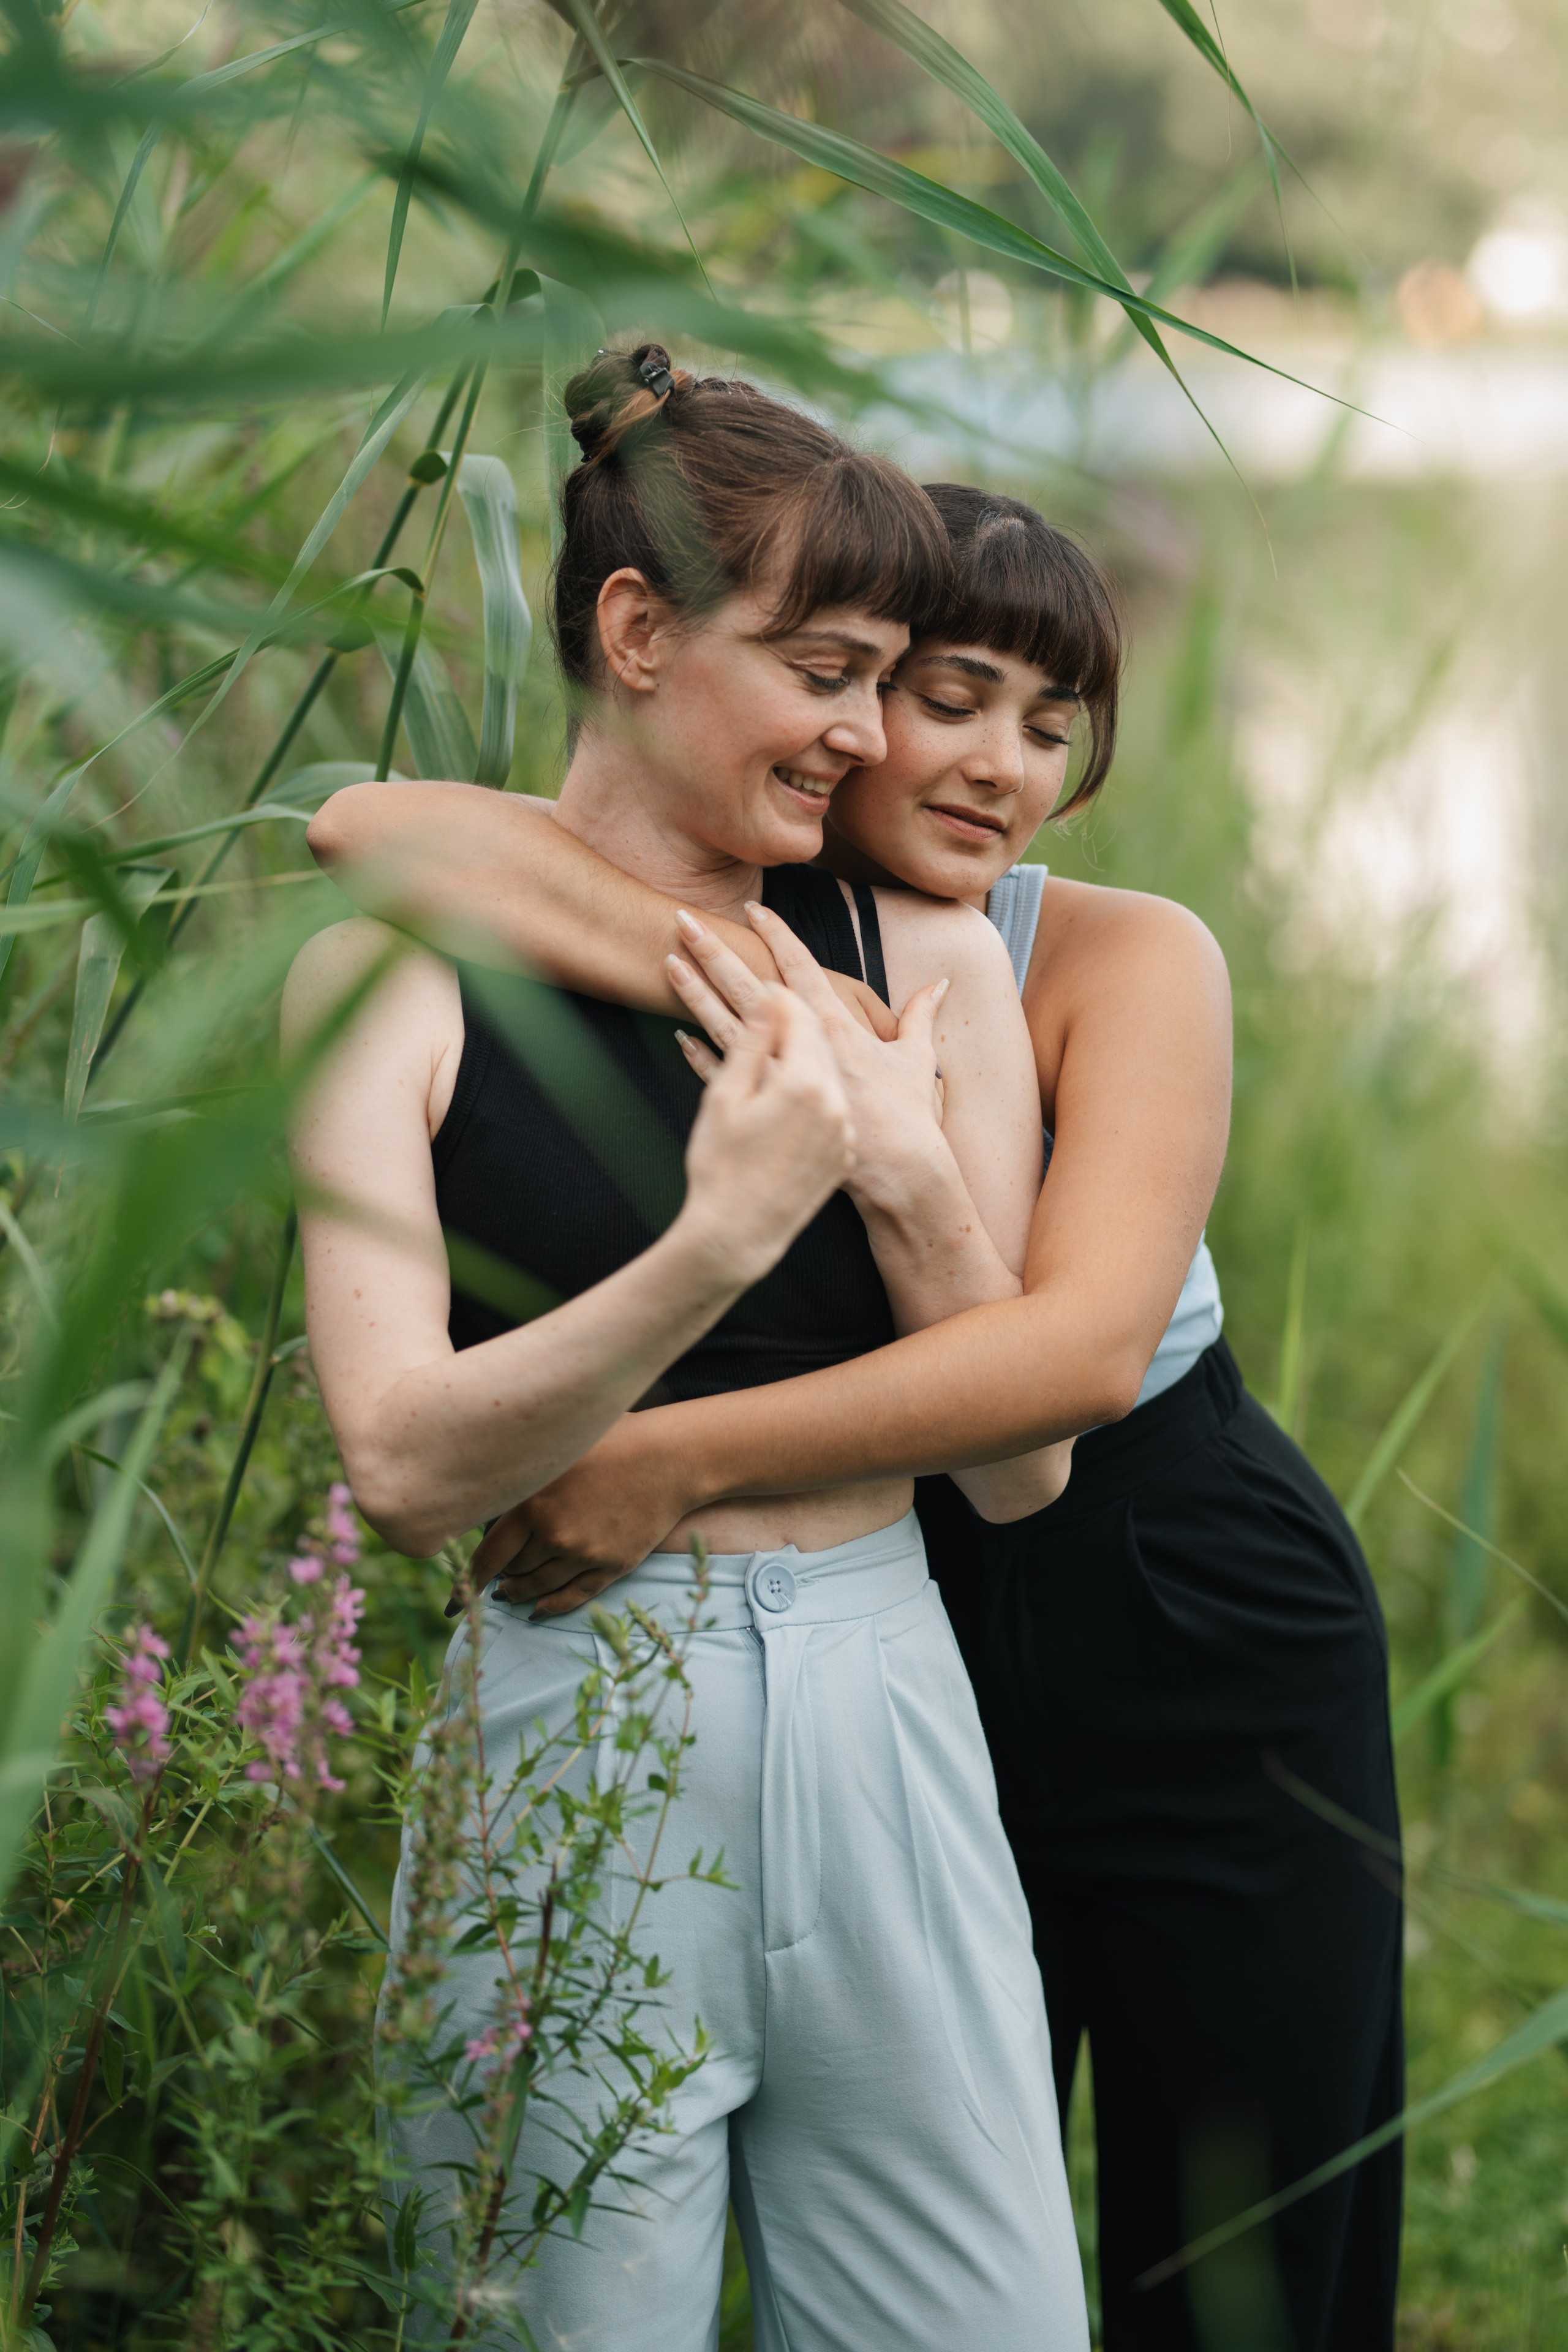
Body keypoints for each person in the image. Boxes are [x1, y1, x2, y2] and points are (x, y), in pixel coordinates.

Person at [313, 483, 1403, 2350]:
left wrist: (660, 1453)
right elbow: (361, 822)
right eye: (934, 694)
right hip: (917, 1603)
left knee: (1232, 2243)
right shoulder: (714, 922)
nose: (994, 764)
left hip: (1170, 1597)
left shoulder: (1107, 954)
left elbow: (1057, 1380)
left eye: (1052, 728)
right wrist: (781, 990)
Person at [290, 348, 1091, 2351]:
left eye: (883, 671)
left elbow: (1017, 1466)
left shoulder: (921, 966)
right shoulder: (393, 982)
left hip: (889, 1691)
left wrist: (901, 1176)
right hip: (567, 1716)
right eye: (822, 666)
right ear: (638, 632)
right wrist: (717, 1241)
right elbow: (397, 1464)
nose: (868, 731)